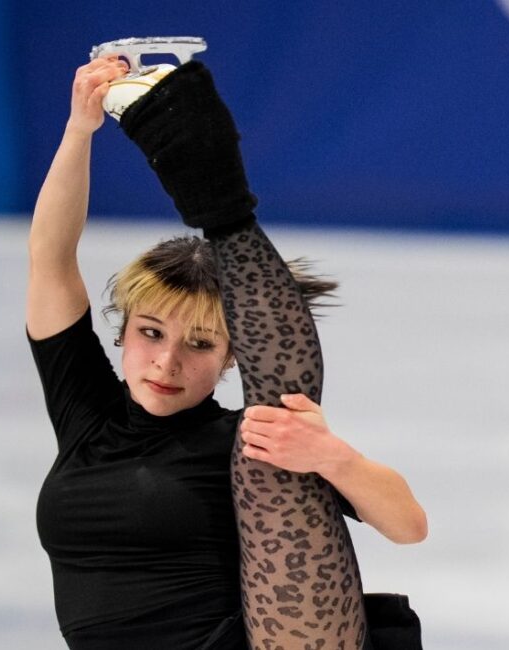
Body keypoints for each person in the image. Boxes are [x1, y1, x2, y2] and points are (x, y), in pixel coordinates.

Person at [26, 54, 426, 650]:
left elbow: (408, 526)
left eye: (200, 343)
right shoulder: (86, 415)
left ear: (232, 356)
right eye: (152, 333)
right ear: (123, 331)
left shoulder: (251, 439)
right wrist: (79, 129)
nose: (167, 363)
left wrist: (331, 457)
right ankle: (214, 188)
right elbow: (51, 259)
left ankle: (223, 207)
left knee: (272, 439)